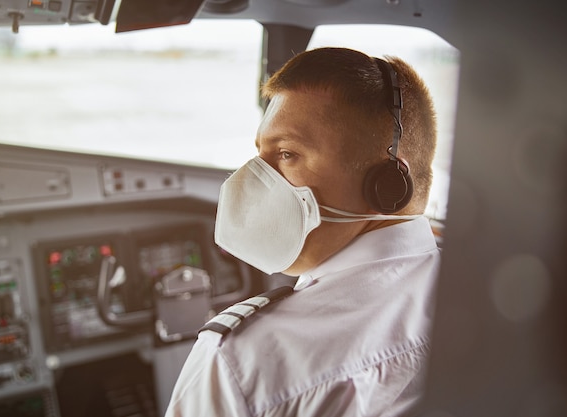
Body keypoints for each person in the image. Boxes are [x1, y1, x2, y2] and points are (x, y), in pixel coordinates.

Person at [165, 47, 440, 417]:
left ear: (388, 185)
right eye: (259, 155)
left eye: (287, 154)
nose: (251, 181)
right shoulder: (484, 294)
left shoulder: (243, 363)